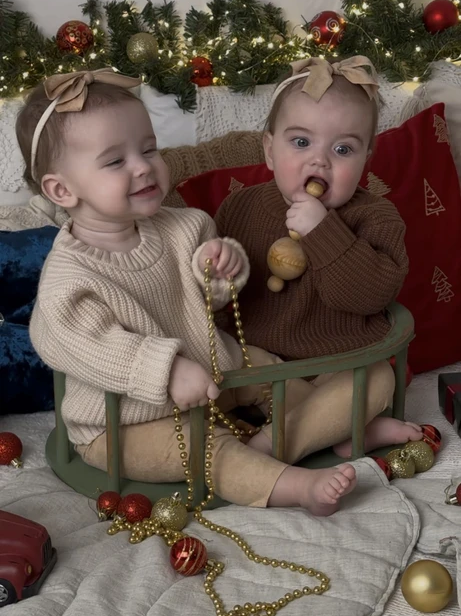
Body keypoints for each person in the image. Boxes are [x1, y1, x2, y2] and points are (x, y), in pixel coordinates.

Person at [18, 67, 359, 513]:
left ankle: (318, 426)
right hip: (122, 423)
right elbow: (85, 345)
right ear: (62, 190)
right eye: (116, 161)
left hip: (212, 370)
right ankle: (293, 486)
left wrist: (220, 272)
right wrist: (166, 370)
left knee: (276, 372)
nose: (144, 167)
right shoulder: (69, 278)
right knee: (207, 448)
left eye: (149, 149)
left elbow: (210, 305)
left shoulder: (185, 225)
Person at [215, 56, 422, 472]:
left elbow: (368, 296)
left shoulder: (377, 218)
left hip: (339, 367)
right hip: (263, 369)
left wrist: (322, 232)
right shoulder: (240, 206)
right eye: (301, 142)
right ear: (270, 150)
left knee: (379, 379)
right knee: (212, 363)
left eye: (342, 149)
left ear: (366, 158)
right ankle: (345, 432)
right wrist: (219, 276)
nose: (320, 161)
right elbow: (219, 303)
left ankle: (270, 450)